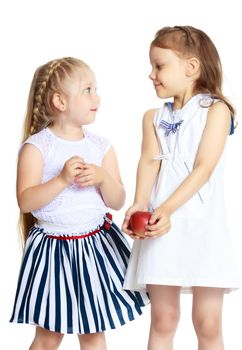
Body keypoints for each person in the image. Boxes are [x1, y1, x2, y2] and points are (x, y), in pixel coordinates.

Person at [10, 57, 149, 350]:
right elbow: (25, 201)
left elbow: (118, 199)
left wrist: (102, 178)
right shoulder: (37, 147)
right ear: (60, 101)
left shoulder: (100, 146)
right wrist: (61, 180)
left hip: (95, 249)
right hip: (52, 251)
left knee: (93, 333)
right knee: (48, 335)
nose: (96, 97)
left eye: (95, 88)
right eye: (87, 90)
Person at [122, 26, 239, 350]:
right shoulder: (152, 117)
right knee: (163, 318)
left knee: (208, 322)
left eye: (159, 66)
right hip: (161, 227)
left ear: (190, 67)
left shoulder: (216, 110)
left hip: (203, 228)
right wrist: (139, 203)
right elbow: (150, 161)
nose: (151, 74)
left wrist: (166, 209)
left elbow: (204, 167)